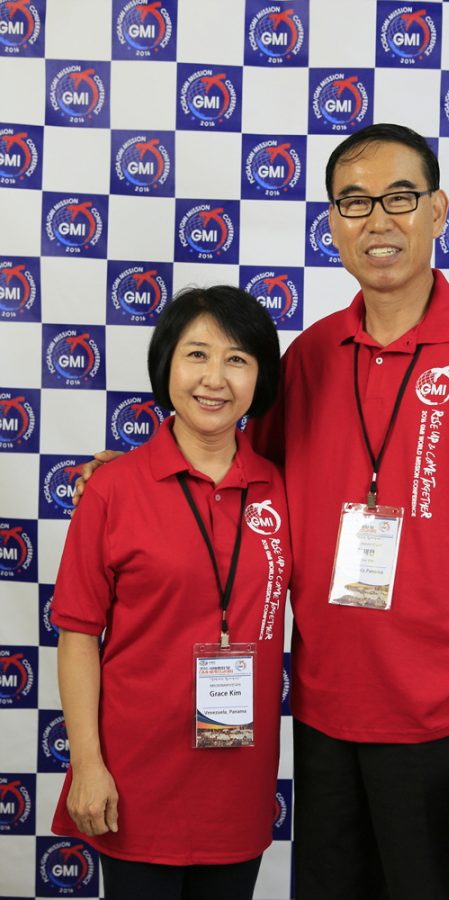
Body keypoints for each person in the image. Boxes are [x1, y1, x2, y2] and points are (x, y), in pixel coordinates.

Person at [75, 125, 449, 899]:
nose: (378, 220)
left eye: (400, 198)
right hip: (323, 710)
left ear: (438, 210)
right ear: (333, 222)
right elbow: (237, 470)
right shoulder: (308, 357)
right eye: (354, 202)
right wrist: (136, 474)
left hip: (448, 709)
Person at [50, 286, 291, 900]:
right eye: (197, 355)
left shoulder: (284, 489)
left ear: (260, 377)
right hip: (134, 782)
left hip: (238, 786)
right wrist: (88, 765)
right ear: (166, 365)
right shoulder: (113, 489)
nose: (215, 379)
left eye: (237, 359)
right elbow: (77, 637)